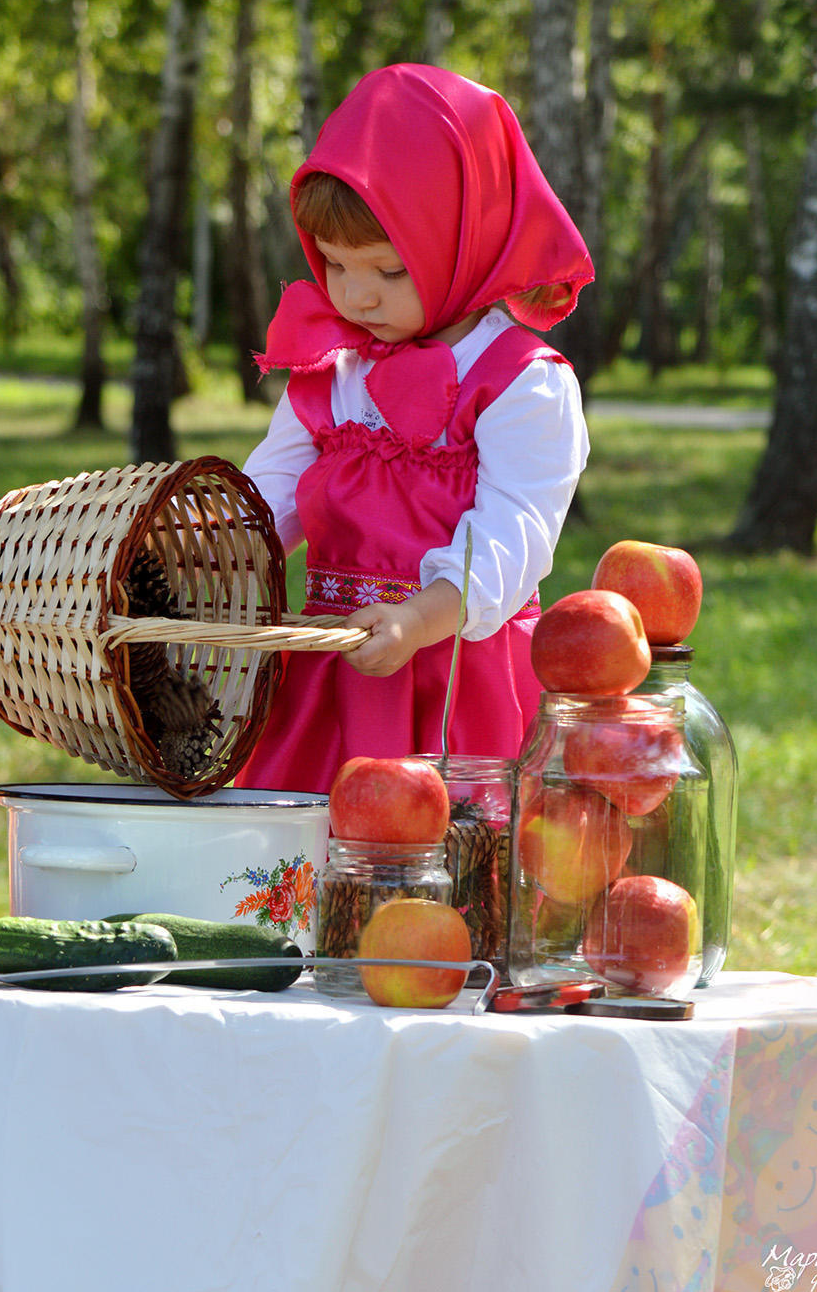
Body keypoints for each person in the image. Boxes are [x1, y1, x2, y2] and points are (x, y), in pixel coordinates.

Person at [236, 62, 593, 796]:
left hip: (454, 682)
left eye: (389, 270)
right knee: (305, 867)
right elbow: (268, 496)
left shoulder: (521, 381)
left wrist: (418, 619)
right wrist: (210, 558)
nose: (356, 293)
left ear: (464, 238)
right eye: (334, 265)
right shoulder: (336, 368)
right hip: (331, 678)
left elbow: (512, 535)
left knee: (441, 874)